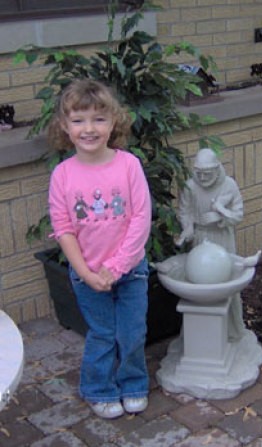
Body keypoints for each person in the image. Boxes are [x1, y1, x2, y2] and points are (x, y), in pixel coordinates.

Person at [47, 79, 151, 419]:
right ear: (65, 126)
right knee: (103, 335)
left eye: (98, 119)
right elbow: (63, 229)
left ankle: (133, 384)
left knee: (132, 333)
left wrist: (117, 266)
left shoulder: (128, 165)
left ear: (114, 122)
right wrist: (85, 273)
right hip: (87, 274)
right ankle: (99, 389)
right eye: (78, 120)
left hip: (131, 270)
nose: (89, 129)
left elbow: (140, 219)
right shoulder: (62, 175)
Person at [175, 148, 246, 340]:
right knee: (198, 282)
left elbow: (238, 214)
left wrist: (220, 215)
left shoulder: (229, 185)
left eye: (207, 173)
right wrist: (188, 228)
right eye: (199, 173)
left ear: (217, 169)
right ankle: (199, 337)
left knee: (227, 282)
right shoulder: (190, 186)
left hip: (222, 239)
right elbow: (185, 211)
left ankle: (233, 331)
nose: (203, 177)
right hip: (200, 240)